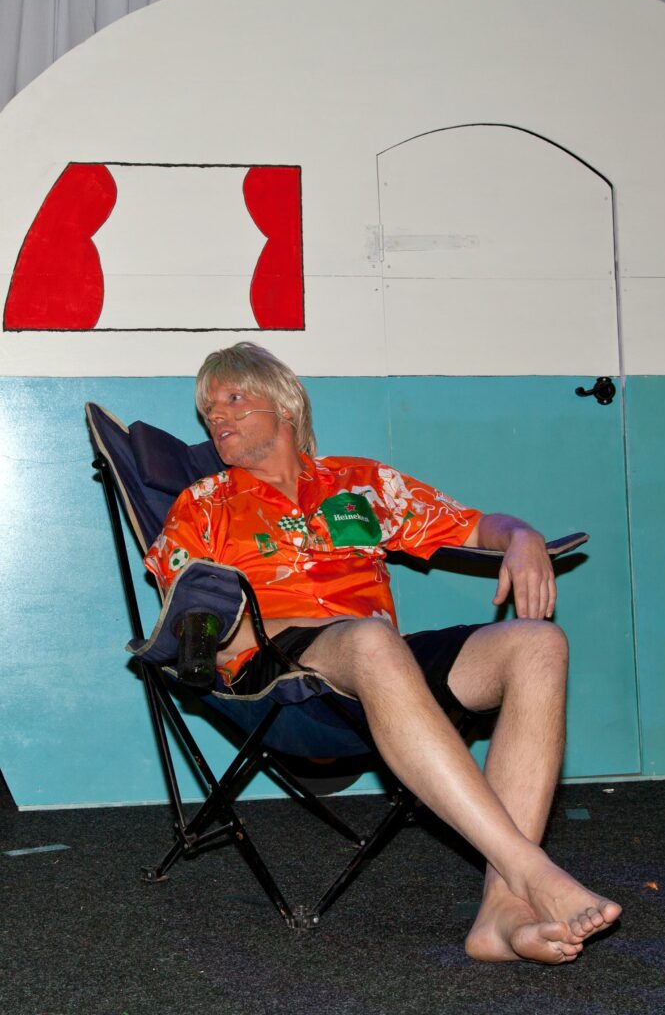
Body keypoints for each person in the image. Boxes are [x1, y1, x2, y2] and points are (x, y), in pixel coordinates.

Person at [145, 341, 621, 964]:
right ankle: (531, 871)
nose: (218, 415)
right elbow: (193, 623)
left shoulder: (360, 484)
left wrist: (523, 537)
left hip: (379, 662)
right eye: (209, 408)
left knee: (537, 643)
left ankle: (500, 914)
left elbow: (472, 524)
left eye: (234, 397)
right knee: (371, 640)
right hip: (278, 671)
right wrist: (283, 624)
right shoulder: (203, 505)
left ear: (285, 407)